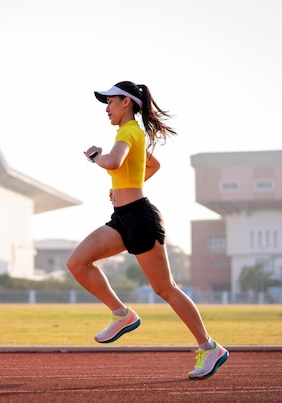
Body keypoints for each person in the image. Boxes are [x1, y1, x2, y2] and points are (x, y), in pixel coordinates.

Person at [66, 81, 228, 379]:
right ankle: (122, 314)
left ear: (126, 103)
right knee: (77, 262)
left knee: (165, 288)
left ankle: (210, 347)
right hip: (123, 217)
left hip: (141, 219)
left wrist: (94, 157)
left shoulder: (128, 132)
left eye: (111, 102)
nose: (107, 108)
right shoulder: (130, 134)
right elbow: (152, 166)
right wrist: (124, 187)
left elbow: (113, 161)